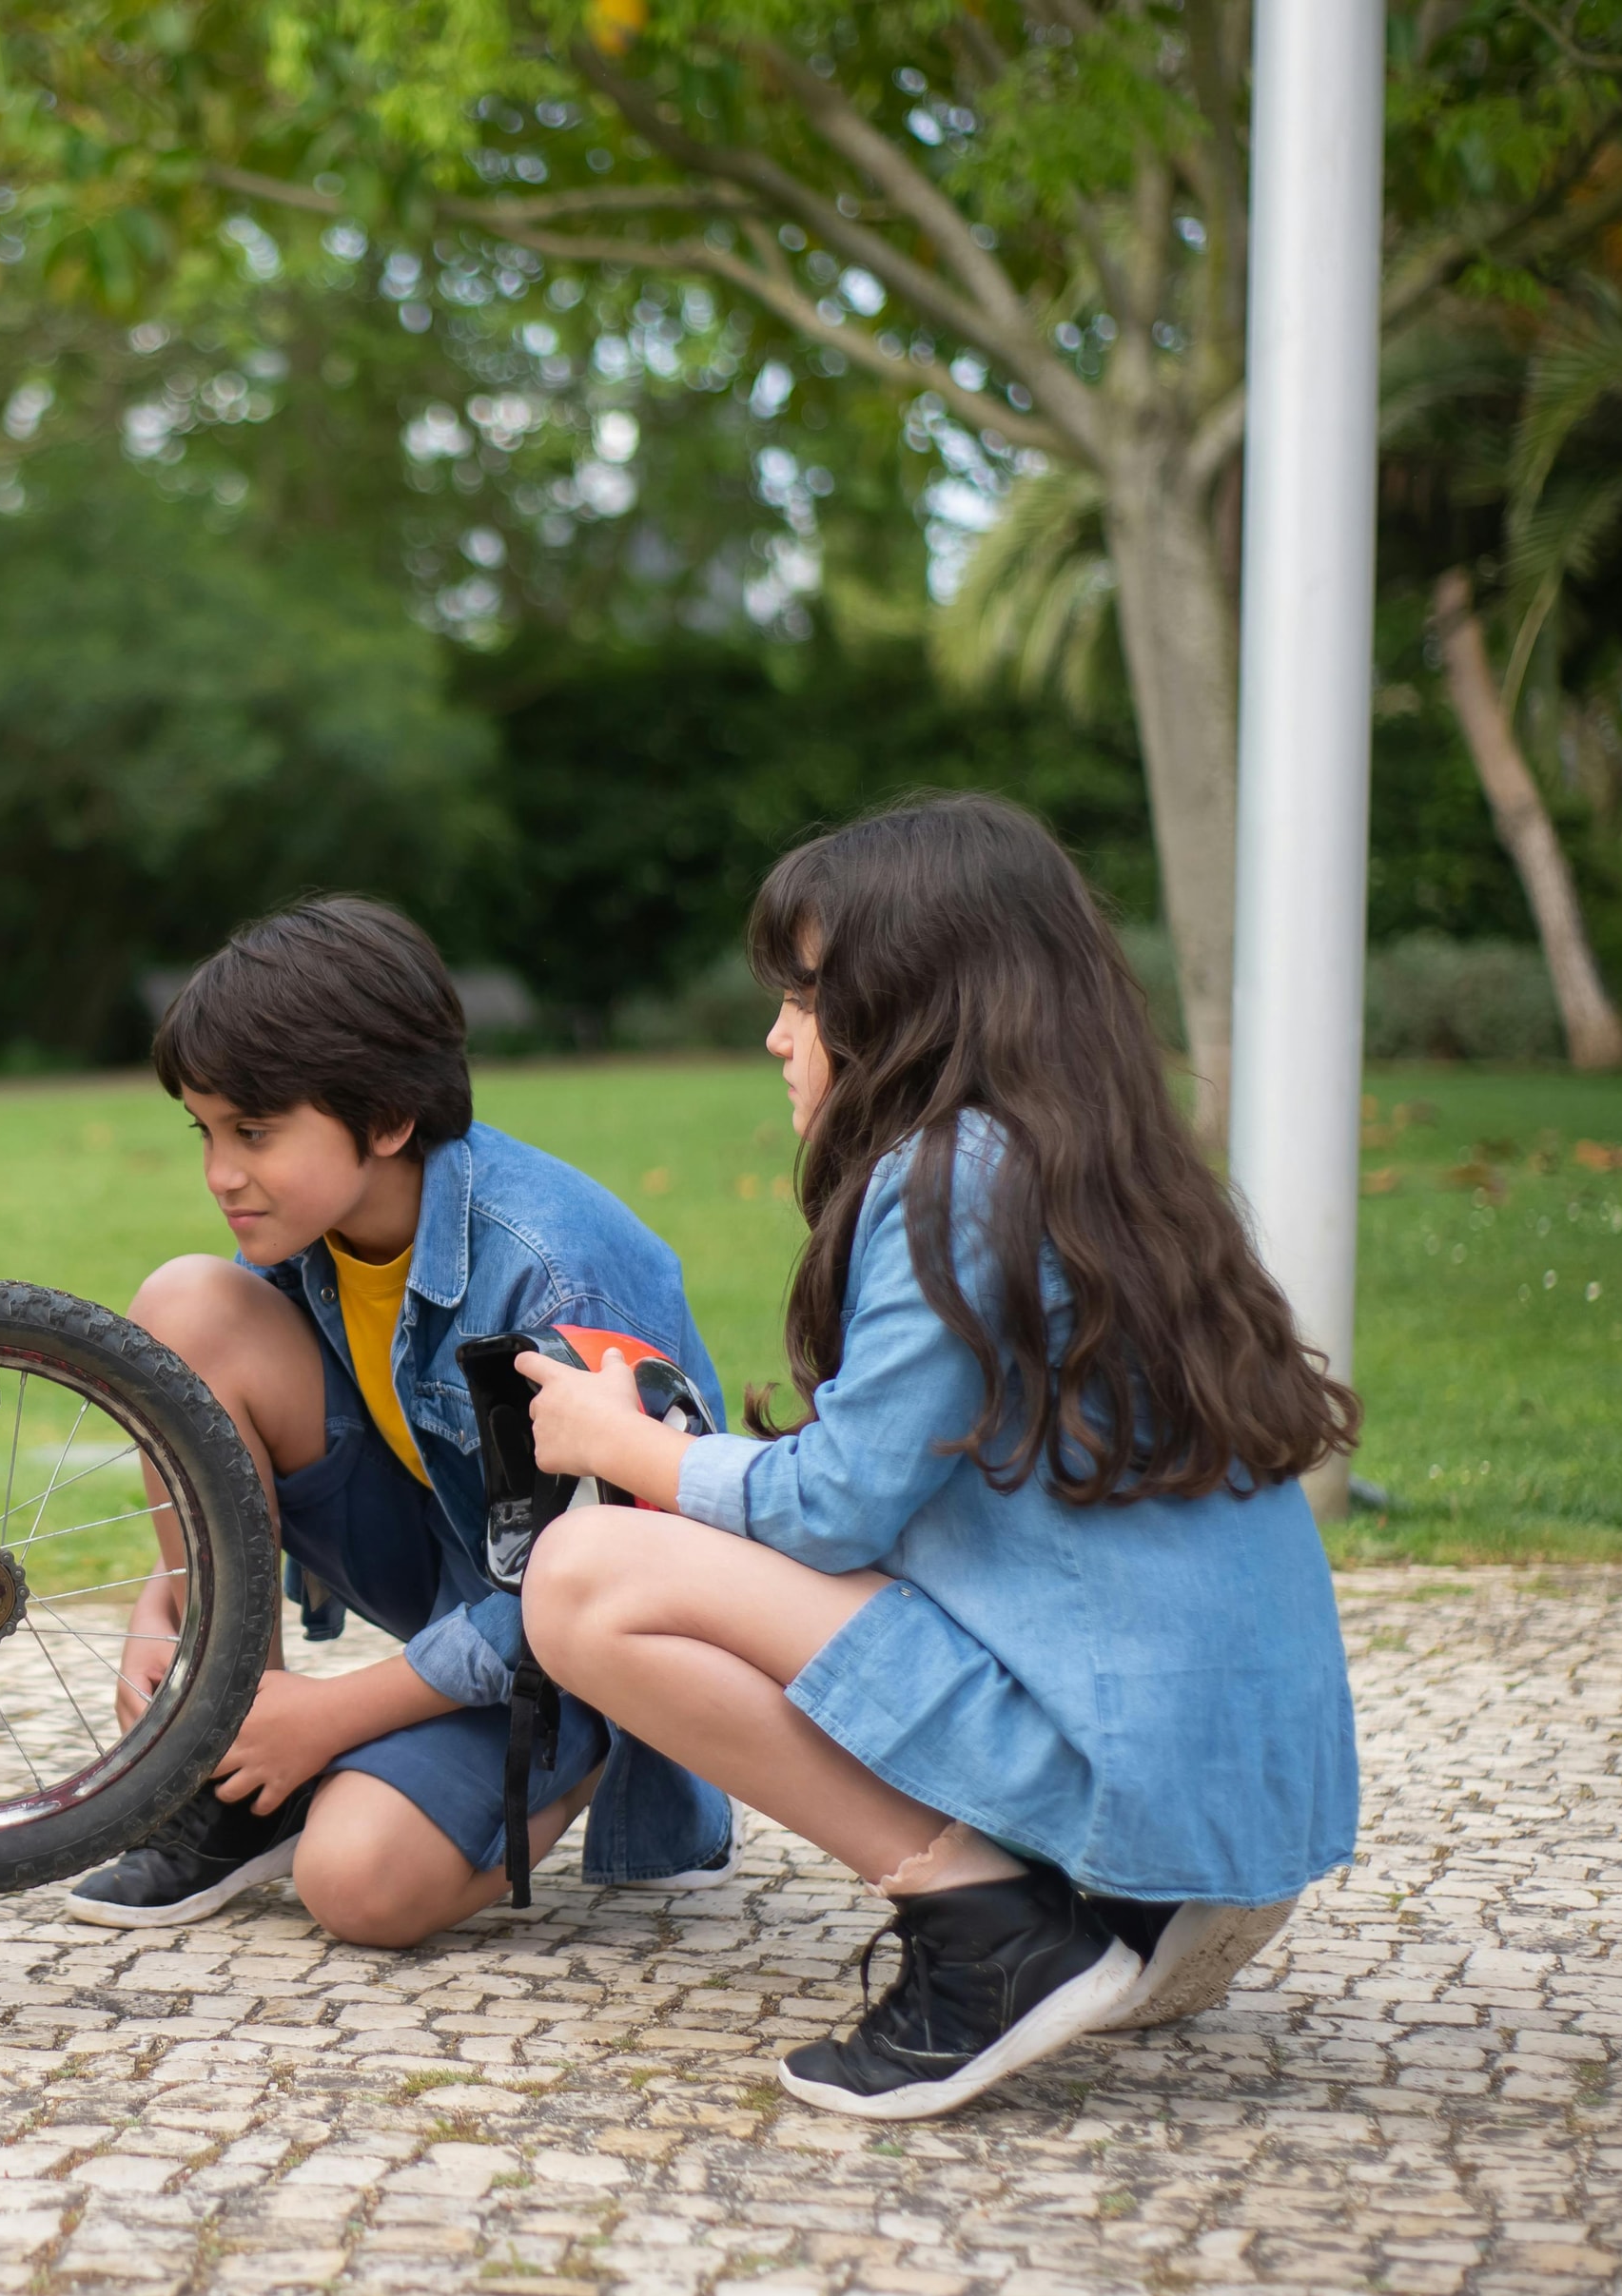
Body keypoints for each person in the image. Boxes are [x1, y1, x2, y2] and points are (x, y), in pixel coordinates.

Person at [510, 794, 1361, 2121]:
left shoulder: (952, 1173)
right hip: (1230, 1824)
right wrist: (694, 1458)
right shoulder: (1101, 1162)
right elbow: (912, 1488)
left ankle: (992, 1928)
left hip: (1136, 1810)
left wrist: (628, 1450)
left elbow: (841, 1506)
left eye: (805, 991)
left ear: (914, 994)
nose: (778, 1032)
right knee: (669, 1540)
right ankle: (1066, 1909)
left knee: (580, 1576)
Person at [66, 898, 737, 1943]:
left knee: (358, 1884)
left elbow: (597, 1580)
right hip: (448, 1558)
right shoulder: (311, 1225)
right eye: (205, 1131)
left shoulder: (554, 1273)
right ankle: (240, 1785)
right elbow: (234, 1451)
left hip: (581, 1618)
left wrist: (333, 1716)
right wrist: (181, 1599)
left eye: (254, 1131)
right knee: (186, 1306)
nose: (220, 1173)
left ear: (385, 1121)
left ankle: (593, 1752)